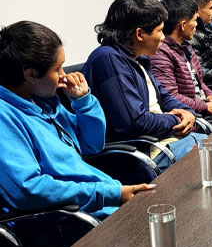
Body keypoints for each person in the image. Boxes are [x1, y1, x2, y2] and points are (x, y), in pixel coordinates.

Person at [0, 21, 153, 218]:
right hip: (67, 221)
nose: (64, 76)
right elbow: (28, 189)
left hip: (97, 203)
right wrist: (109, 194)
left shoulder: (41, 101)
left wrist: (83, 102)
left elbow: (92, 145)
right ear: (31, 74)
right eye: (58, 69)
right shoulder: (6, 117)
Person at [83, 0, 207, 171]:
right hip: (144, 153)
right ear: (140, 34)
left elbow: (163, 97)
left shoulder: (137, 58)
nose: (163, 37)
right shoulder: (109, 60)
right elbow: (134, 122)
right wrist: (175, 119)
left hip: (162, 142)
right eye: (159, 31)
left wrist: (188, 112)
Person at [150, 0, 212, 130]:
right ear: (182, 25)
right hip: (195, 118)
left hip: (204, 111)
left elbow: (199, 82)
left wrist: (211, 96)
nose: (196, 24)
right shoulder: (161, 53)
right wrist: (205, 106)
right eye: (194, 20)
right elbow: (172, 97)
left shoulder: (185, 46)